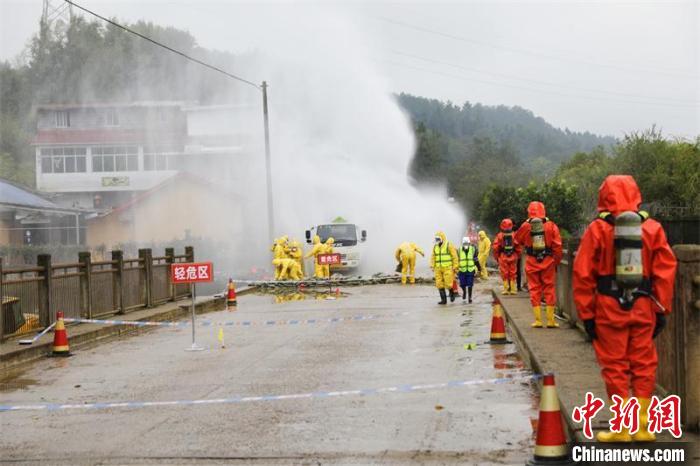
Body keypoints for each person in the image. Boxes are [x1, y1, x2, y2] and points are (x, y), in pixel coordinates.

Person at [573, 175, 676, 443]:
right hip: (643, 307)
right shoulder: (652, 228)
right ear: (636, 195)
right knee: (643, 365)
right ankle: (643, 428)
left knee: (615, 366)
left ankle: (622, 429)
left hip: (608, 308)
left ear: (604, 196)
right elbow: (665, 271)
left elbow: (582, 275)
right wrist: (662, 310)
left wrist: (587, 315)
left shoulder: (597, 230)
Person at [515, 201, 563, 328]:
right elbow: (558, 246)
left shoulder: (525, 226)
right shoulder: (551, 225)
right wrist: (556, 262)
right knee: (549, 289)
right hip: (548, 262)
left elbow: (517, 240)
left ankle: (538, 320)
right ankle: (551, 320)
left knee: (534, 289)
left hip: (531, 261)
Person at [493, 218, 521, 295]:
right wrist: (518, 256)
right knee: (513, 272)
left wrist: (497, 257)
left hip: (503, 256)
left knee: (504, 273)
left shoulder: (499, 235)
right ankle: (513, 289)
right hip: (513, 256)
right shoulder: (514, 235)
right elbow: (518, 247)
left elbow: (495, 248)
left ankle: (506, 289)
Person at [430, 231, 459, 305]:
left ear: (442, 238)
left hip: (447, 267)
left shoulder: (448, 245)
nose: (437, 241)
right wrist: (432, 265)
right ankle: (443, 300)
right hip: (438, 268)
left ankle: (452, 293)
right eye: (436, 239)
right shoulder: (435, 246)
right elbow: (433, 257)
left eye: (438, 239)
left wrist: (455, 266)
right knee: (439, 284)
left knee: (448, 284)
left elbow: (454, 256)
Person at [457, 237, 481, 303]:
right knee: (462, 284)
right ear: (462, 244)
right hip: (462, 270)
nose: (466, 245)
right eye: (464, 243)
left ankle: (469, 298)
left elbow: (476, 259)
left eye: (467, 243)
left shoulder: (473, 249)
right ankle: (464, 291)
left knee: (470, 284)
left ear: (469, 243)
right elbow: (456, 260)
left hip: (470, 270)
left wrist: (479, 268)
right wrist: (455, 268)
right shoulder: (459, 250)